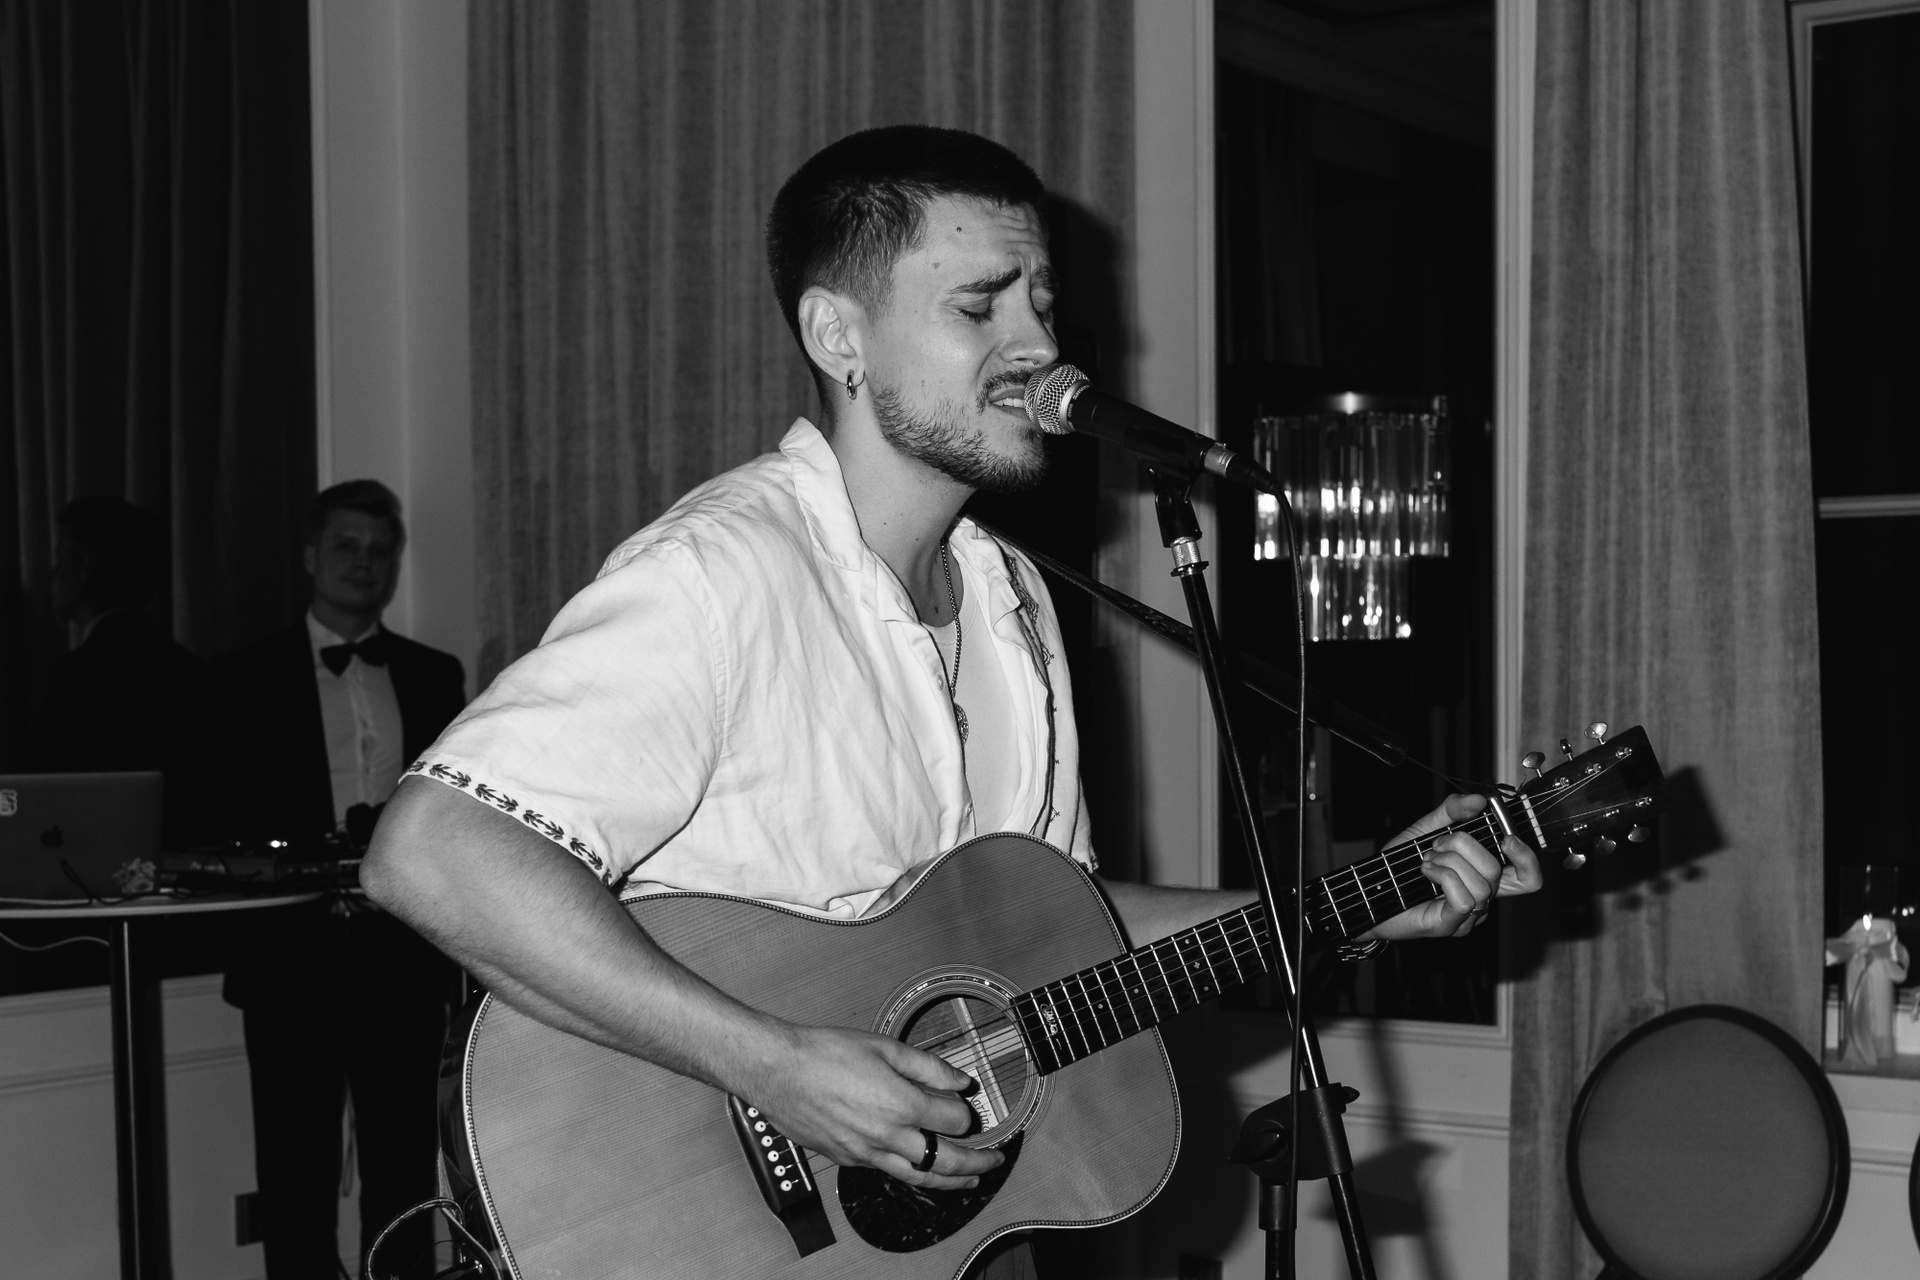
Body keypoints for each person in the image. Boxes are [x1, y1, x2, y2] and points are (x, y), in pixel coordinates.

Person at [360, 125, 1541, 1278]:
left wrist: (1355, 905)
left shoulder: (1013, 600)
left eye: (1044, 304)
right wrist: (779, 1067)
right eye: (981, 307)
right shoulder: (722, 575)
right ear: (839, 336)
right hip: (688, 1207)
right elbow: (433, 852)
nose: (1042, 347)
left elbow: (1066, 931)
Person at [215, 480, 466, 1280]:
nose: (364, 562)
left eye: (379, 549)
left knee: (402, 1174)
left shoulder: (434, 673)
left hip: (402, 957)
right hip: (288, 955)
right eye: (347, 546)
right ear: (310, 555)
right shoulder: (243, 676)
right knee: (294, 1177)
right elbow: (219, 814)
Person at [32, 496, 210, 843]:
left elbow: (49, 798)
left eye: (59, 559)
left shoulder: (74, 677)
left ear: (85, 567)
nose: (52, 574)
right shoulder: (186, 667)